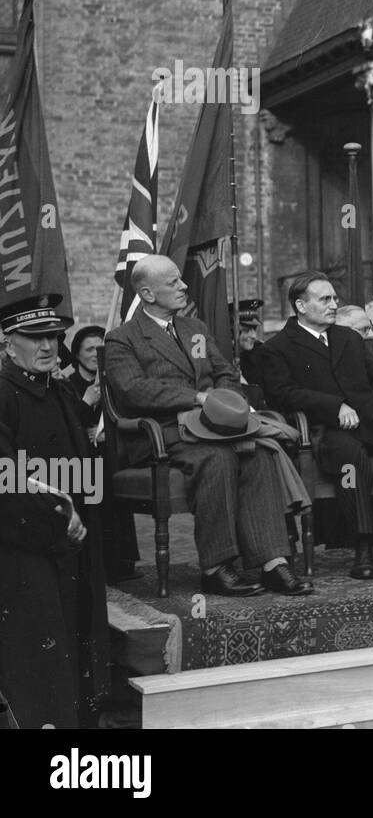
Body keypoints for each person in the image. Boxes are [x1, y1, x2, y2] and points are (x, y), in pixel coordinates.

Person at [103, 254, 312, 596]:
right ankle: (216, 568)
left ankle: (273, 562)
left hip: (216, 427)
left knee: (257, 455)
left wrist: (224, 402)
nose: (184, 286)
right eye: (173, 282)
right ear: (148, 294)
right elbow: (134, 390)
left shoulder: (195, 329)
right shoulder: (122, 339)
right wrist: (197, 399)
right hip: (163, 433)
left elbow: (226, 372)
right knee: (218, 459)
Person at [261, 272, 373, 580]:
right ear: (300, 305)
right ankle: (363, 545)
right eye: (325, 299)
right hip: (325, 430)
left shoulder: (349, 338)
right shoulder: (279, 347)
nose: (334, 304)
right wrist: (333, 406)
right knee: (351, 460)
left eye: (335, 298)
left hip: (371, 421)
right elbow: (284, 394)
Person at [0, 294, 110, 728]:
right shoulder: (4, 395)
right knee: (37, 657)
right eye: (34, 338)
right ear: (9, 344)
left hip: (73, 546)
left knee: (77, 639)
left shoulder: (61, 390)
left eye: (52, 337)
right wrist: (60, 519)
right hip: (24, 547)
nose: (47, 346)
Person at [63, 325, 105, 430]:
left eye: (100, 349)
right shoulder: (66, 387)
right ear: (77, 354)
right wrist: (86, 403)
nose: (96, 354)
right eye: (89, 350)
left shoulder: (112, 385)